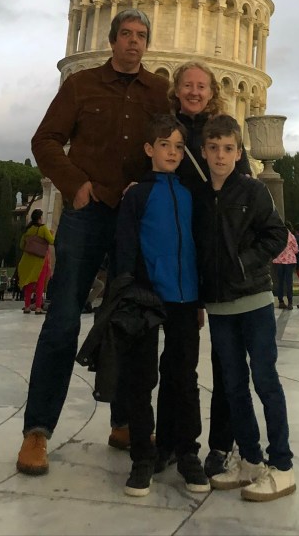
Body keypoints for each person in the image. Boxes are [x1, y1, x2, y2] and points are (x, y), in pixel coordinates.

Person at [15, 8, 170, 477]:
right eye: (126, 34)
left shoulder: (158, 91)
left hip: (132, 218)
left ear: (147, 43)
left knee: (130, 319)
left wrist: (148, 188)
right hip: (87, 213)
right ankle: (37, 431)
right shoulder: (81, 85)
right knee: (63, 318)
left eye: (141, 35)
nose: (134, 42)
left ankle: (125, 422)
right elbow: (45, 140)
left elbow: (172, 145)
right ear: (112, 40)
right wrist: (75, 185)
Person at [193, 114, 295, 502]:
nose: (220, 155)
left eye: (228, 149)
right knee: (233, 386)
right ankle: (251, 459)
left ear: (239, 153)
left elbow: (276, 234)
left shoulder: (253, 191)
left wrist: (242, 264)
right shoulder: (199, 197)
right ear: (204, 152)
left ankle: (282, 465)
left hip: (253, 301)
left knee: (265, 380)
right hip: (220, 306)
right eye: (214, 148)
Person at [114, 114, 209, 498]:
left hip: (185, 298)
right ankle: (142, 457)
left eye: (178, 146)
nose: (172, 152)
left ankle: (185, 452)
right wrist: (127, 294)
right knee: (142, 379)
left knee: (183, 378)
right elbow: (124, 248)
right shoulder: (137, 195)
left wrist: (199, 300)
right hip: (146, 298)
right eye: (164, 145)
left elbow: (199, 245)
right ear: (149, 149)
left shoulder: (190, 193)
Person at [168, 61, 251, 479]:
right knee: (179, 359)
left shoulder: (223, 132)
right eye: (188, 85)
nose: (195, 92)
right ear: (177, 89)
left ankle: (220, 445)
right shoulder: (169, 132)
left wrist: (244, 261)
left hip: (220, 262)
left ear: (212, 90)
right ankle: (178, 443)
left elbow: (246, 193)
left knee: (226, 361)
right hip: (183, 259)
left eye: (202, 86)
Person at [18, 208, 55, 315]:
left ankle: (27, 307)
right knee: (40, 284)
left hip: (26, 260)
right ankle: (38, 307)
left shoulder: (28, 229)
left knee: (28, 283)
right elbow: (51, 241)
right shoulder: (43, 228)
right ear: (39, 218)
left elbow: (21, 245)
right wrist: (51, 234)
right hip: (39, 260)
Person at [272, 223, 298, 310]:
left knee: (280, 281)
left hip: (279, 261)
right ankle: (290, 302)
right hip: (289, 261)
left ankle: (281, 301)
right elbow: (296, 249)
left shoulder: (277, 236)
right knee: (289, 281)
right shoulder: (291, 236)